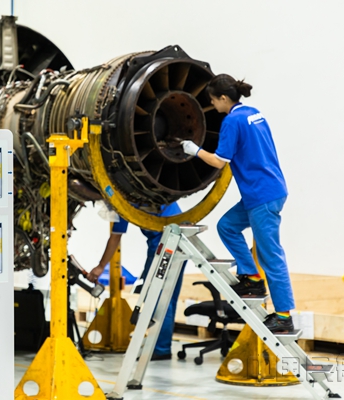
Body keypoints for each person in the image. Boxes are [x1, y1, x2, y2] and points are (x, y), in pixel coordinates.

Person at [181, 74, 295, 333]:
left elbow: (219, 161)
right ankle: (252, 278)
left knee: (271, 255)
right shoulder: (253, 113)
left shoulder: (232, 120)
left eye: (213, 100)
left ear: (224, 98)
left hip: (262, 196)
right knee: (227, 226)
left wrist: (194, 150)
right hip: (264, 190)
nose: (212, 105)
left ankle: (284, 317)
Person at [86, 202, 184, 360]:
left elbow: (115, 237)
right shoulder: (152, 195)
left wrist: (101, 266)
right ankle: (162, 345)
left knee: (157, 298)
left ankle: (161, 348)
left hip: (164, 246)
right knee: (169, 297)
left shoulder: (124, 201)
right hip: (183, 242)